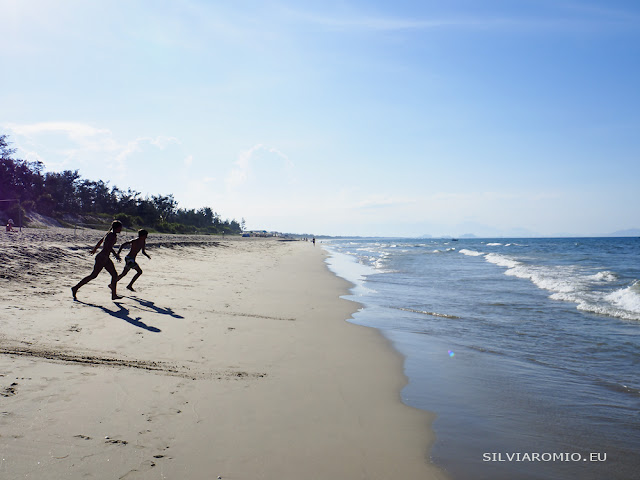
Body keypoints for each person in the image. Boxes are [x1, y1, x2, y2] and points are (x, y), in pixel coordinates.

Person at [71, 220, 123, 300]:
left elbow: (101, 241)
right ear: (116, 228)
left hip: (104, 257)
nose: (121, 229)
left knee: (114, 275)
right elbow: (108, 247)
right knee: (94, 275)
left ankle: (114, 295)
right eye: (120, 228)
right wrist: (116, 255)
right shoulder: (112, 235)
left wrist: (94, 249)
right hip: (102, 258)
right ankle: (75, 288)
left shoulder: (109, 233)